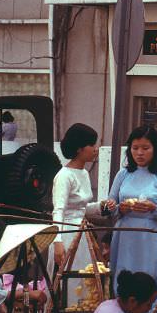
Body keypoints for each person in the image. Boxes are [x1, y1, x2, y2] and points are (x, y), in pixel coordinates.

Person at [104, 126, 157, 297]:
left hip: (148, 235)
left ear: (155, 149)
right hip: (124, 233)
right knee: (122, 278)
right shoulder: (123, 174)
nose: (139, 153)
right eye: (135, 148)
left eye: (145, 148)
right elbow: (109, 206)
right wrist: (119, 208)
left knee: (147, 279)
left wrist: (153, 208)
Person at [52, 124, 99, 299]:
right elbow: (59, 210)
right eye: (92, 145)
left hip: (83, 235)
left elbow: (82, 207)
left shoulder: (84, 174)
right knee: (67, 282)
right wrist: (57, 241)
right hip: (67, 234)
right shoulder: (64, 176)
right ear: (79, 149)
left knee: (83, 280)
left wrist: (101, 207)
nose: (96, 149)